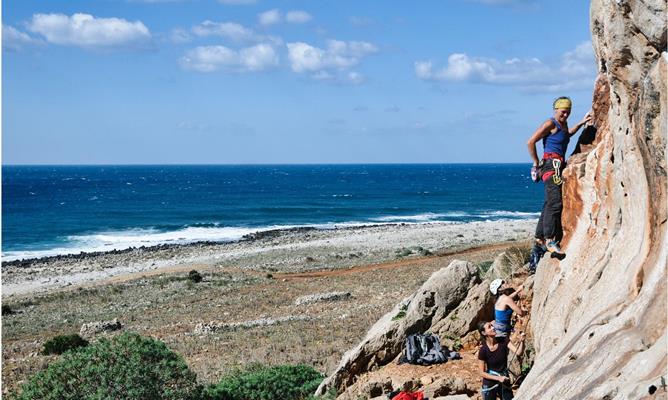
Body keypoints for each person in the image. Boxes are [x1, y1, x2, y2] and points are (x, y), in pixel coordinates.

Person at [527, 96, 592, 271]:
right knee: (555, 202)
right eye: (563, 111)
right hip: (551, 165)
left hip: (558, 165)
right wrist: (536, 162)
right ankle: (549, 240)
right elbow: (530, 141)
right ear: (556, 109)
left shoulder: (562, 126)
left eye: (568, 112)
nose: (566, 114)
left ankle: (539, 238)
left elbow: (567, 134)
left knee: (549, 202)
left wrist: (581, 123)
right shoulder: (551, 123)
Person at [477, 320, 526, 400]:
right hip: (491, 381)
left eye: (492, 325)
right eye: (490, 327)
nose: (493, 328)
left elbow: (518, 353)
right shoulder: (483, 350)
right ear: (484, 333)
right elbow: (481, 372)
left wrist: (522, 342)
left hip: (504, 379)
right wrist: (499, 378)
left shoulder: (503, 340)